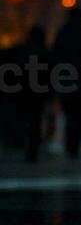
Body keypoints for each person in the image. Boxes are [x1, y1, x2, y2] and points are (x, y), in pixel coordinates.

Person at [50, 6, 81, 159]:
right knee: (80, 114)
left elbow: (55, 56)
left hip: (66, 80)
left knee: (70, 112)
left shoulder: (63, 32)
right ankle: (75, 143)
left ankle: (71, 142)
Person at [3, 26, 51, 161]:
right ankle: (31, 148)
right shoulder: (43, 53)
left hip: (20, 92)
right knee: (34, 121)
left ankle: (18, 142)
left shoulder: (21, 50)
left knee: (20, 118)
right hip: (37, 94)